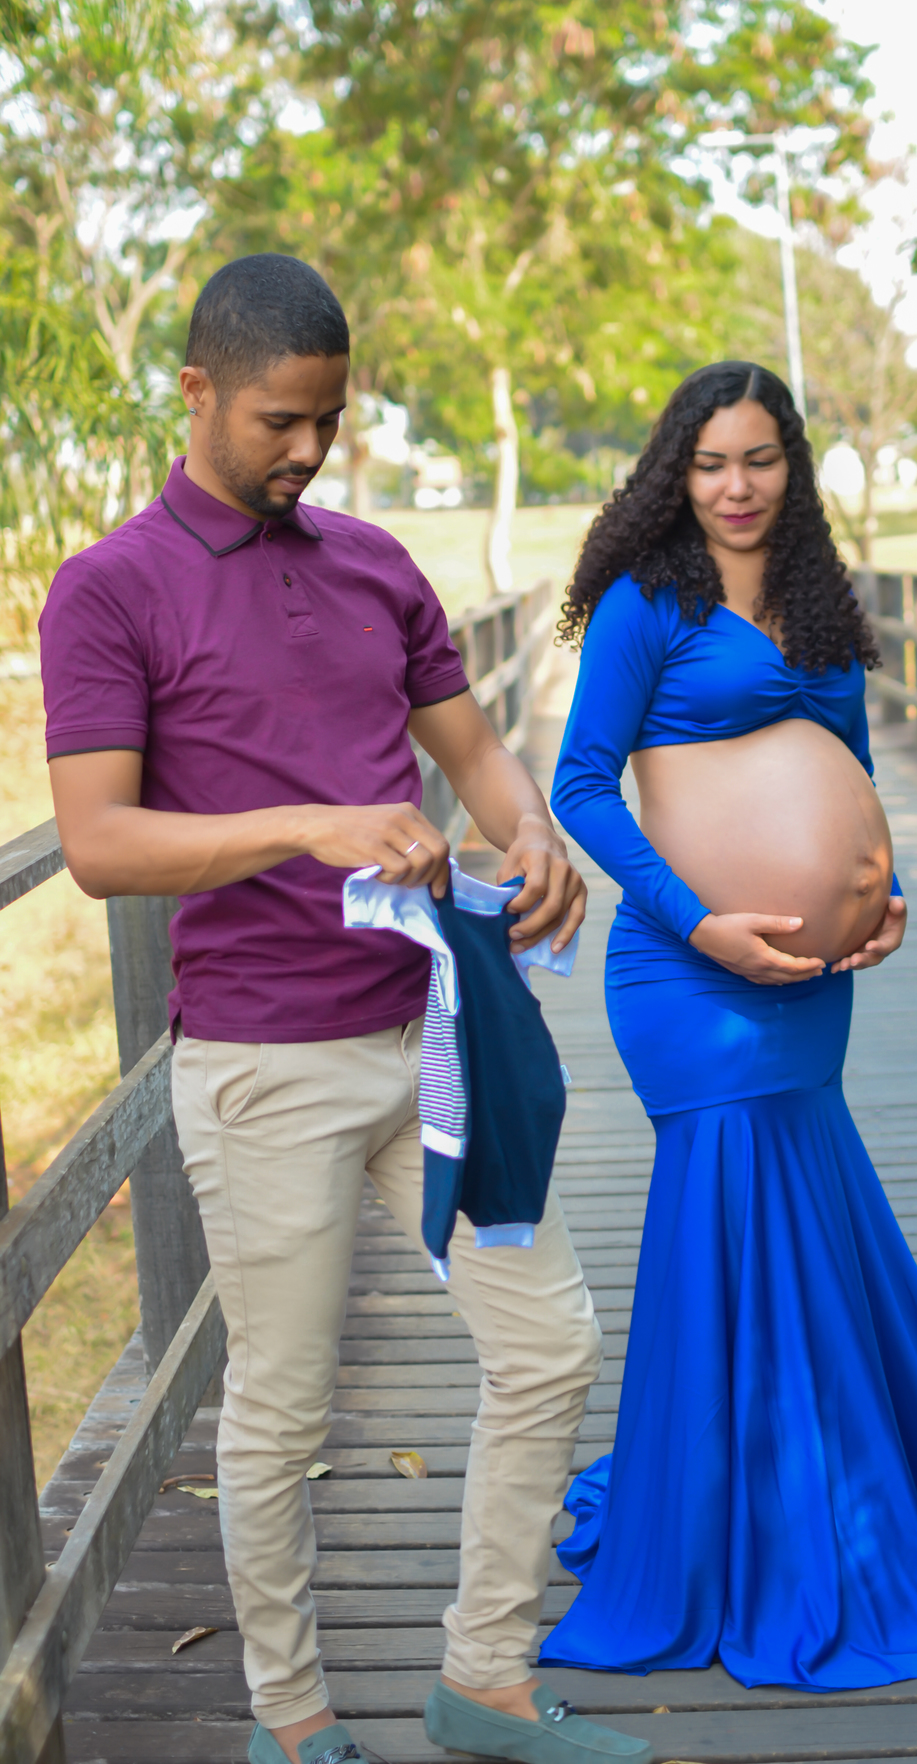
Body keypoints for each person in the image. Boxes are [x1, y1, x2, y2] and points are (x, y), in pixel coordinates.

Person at [39, 253, 653, 1764]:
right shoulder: (110, 589)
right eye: (278, 420)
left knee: (551, 1346)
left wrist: (531, 835)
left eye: (328, 419)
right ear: (197, 392)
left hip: (433, 1033)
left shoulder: (376, 565)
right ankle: (293, 1718)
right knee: (285, 1408)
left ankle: (483, 1682)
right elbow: (103, 844)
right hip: (266, 1065)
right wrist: (311, 826)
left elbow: (473, 748)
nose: (307, 449)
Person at [541, 360, 917, 1691]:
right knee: (732, 1207)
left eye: (759, 459)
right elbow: (581, 788)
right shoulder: (647, 604)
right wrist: (702, 923)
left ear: (791, 468)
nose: (736, 486)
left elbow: (852, 770)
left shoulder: (816, 600)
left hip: (813, 982)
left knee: (801, 1207)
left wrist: (884, 891)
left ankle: (822, 1472)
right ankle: (744, 1515)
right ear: (675, 474)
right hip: (686, 977)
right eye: (710, 463)